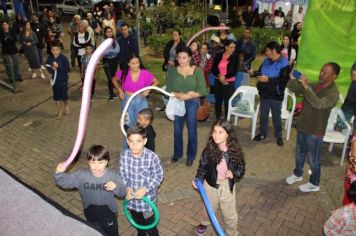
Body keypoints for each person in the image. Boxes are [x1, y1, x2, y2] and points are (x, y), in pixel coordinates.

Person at [285, 62, 340, 192]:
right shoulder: (317, 85)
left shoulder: (333, 93)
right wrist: (293, 80)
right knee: (299, 153)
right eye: (322, 70)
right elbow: (296, 89)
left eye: (325, 72)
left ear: (334, 76)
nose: (322, 74)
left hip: (316, 130)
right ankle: (297, 174)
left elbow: (318, 104)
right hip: (303, 125)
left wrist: (306, 86)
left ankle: (314, 183)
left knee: (313, 159)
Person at [54, 144, 126, 236]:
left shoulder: (113, 176)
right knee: (95, 232)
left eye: (100, 162)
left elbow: (122, 193)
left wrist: (116, 187)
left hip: (109, 215)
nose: (96, 167)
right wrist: (58, 173)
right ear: (88, 162)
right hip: (90, 213)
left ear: (106, 162)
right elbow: (64, 182)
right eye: (93, 162)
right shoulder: (81, 175)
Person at [193, 119, 245, 236]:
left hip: (227, 186)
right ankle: (204, 223)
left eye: (220, 132)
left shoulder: (234, 150)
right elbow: (202, 166)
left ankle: (232, 233)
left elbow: (241, 168)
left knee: (230, 213)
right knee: (208, 208)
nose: (216, 135)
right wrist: (199, 179)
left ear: (228, 134)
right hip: (211, 184)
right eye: (214, 131)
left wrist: (234, 173)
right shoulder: (209, 149)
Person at [166, 46, 208, 166]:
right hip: (178, 102)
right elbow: (169, 88)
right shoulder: (173, 71)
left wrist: (189, 96)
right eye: (179, 57)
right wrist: (177, 94)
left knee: (191, 130)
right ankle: (177, 154)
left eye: (184, 57)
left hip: (192, 103)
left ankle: (191, 156)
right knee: (177, 130)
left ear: (190, 57)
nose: (181, 60)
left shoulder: (197, 70)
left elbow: (203, 90)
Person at [119, 126, 163, 236]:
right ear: (127, 141)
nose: (134, 145)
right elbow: (123, 174)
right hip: (132, 201)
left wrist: (145, 189)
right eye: (131, 141)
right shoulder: (123, 156)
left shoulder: (152, 157)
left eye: (138, 141)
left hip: (147, 203)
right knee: (138, 223)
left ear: (144, 141)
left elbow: (159, 176)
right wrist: (127, 187)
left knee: (151, 227)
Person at [250, 41, 291, 146]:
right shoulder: (266, 61)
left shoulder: (284, 64)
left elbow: (283, 81)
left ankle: (278, 136)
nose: (266, 53)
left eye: (267, 51)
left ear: (273, 51)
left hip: (275, 95)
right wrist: (254, 73)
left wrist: (268, 79)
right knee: (263, 115)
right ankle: (262, 133)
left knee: (276, 116)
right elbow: (261, 72)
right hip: (264, 93)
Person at [112, 54, 159, 130]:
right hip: (127, 101)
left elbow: (156, 82)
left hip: (141, 101)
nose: (136, 65)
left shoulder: (145, 73)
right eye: (133, 63)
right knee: (127, 126)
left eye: (137, 63)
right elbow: (114, 79)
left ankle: (142, 141)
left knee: (143, 125)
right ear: (128, 64)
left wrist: (148, 89)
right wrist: (119, 90)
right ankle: (128, 141)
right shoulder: (123, 73)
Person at [212, 40, 238, 120]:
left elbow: (234, 72)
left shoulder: (234, 58)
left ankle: (227, 119)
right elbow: (214, 69)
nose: (233, 49)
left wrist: (224, 78)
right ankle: (217, 118)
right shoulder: (218, 55)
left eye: (234, 47)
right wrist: (220, 77)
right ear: (226, 47)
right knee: (218, 100)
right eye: (231, 47)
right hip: (218, 81)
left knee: (227, 102)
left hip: (229, 82)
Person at [46, 41, 70, 118]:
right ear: (51, 50)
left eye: (57, 50)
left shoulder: (64, 58)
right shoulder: (50, 58)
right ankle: (59, 111)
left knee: (64, 96)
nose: (55, 52)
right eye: (53, 50)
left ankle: (66, 105)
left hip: (63, 80)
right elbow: (48, 68)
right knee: (56, 96)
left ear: (59, 50)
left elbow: (68, 69)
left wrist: (59, 66)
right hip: (55, 81)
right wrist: (52, 69)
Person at [336, 62, 356, 136]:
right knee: (341, 121)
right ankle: (332, 141)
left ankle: (353, 145)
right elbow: (354, 76)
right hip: (352, 98)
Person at [0, 21, 22, 85]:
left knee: (16, 64)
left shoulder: (12, 31)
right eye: (3, 25)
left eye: (6, 24)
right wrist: (9, 39)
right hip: (5, 51)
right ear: (2, 26)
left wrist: (8, 39)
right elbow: (3, 41)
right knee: (8, 65)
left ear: (8, 25)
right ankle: (11, 78)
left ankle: (17, 76)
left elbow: (15, 39)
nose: (5, 26)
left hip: (13, 50)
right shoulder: (1, 33)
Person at [102, 27, 120, 101]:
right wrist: (112, 51)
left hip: (114, 61)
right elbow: (103, 52)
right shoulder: (103, 41)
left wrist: (109, 50)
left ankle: (113, 93)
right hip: (107, 61)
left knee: (113, 77)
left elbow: (118, 50)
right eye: (107, 32)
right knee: (110, 78)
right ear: (105, 33)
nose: (109, 33)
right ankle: (111, 94)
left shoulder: (114, 40)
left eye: (110, 31)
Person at [73, 20, 92, 85]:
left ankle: (88, 82)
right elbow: (75, 44)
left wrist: (80, 44)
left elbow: (88, 42)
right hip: (79, 54)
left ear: (84, 27)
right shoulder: (76, 35)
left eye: (82, 26)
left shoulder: (88, 33)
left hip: (87, 54)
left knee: (88, 68)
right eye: (79, 27)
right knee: (81, 69)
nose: (80, 28)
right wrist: (83, 45)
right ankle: (83, 82)